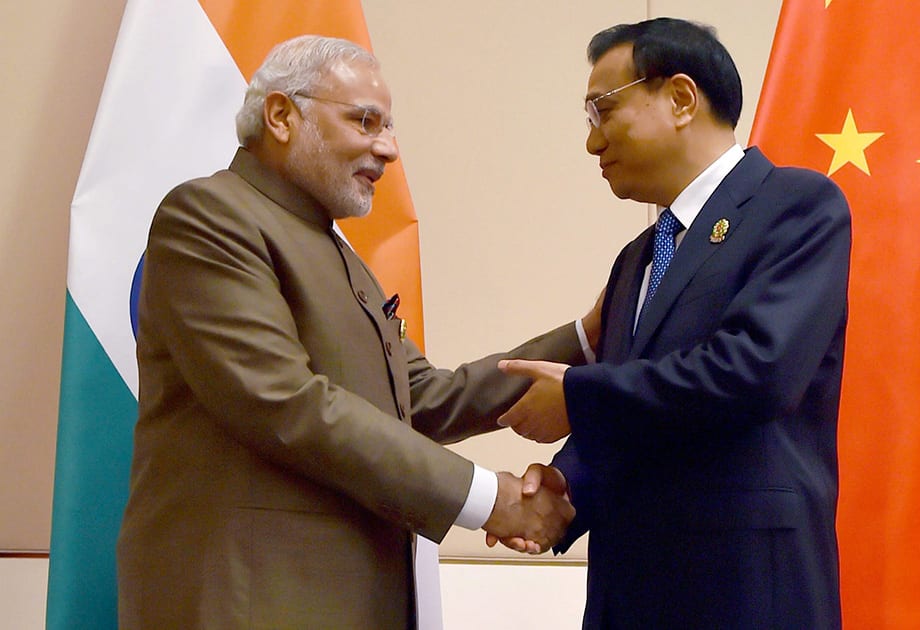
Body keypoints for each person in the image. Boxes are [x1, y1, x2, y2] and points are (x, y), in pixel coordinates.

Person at [116, 35, 593, 629]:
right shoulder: (210, 217)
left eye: (389, 127)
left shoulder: (333, 248)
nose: (389, 149)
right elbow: (285, 402)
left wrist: (586, 339)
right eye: (366, 121)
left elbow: (419, 398)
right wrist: (487, 500)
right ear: (282, 116)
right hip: (250, 601)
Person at [497, 18, 851, 628]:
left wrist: (578, 395)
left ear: (681, 99)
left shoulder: (799, 206)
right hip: (633, 594)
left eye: (602, 111)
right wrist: (561, 487)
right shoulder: (637, 257)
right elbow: (637, 413)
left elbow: (754, 372)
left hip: (748, 591)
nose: (591, 142)